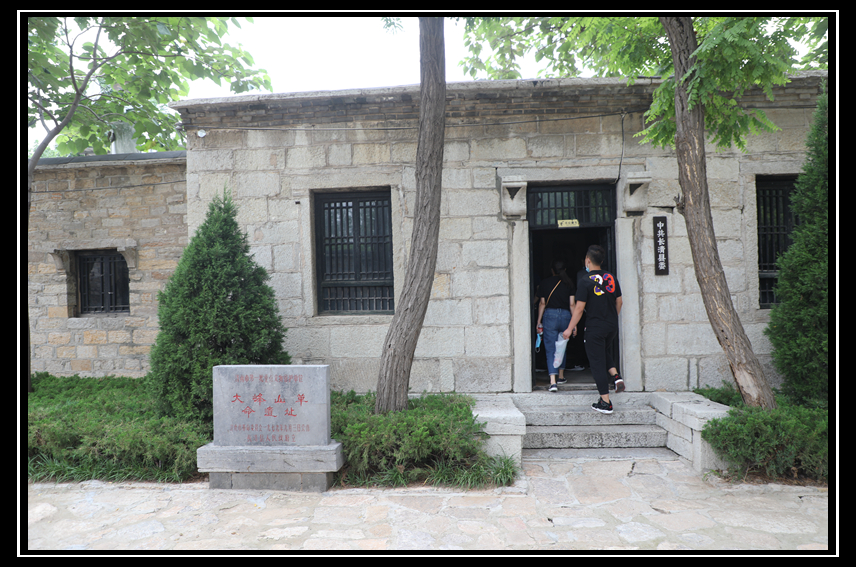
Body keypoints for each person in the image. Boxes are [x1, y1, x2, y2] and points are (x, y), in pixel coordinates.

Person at [563, 245, 624, 413]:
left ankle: (605, 402)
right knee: (601, 351)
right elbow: (619, 301)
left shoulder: (584, 281)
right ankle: (616, 376)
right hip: (611, 326)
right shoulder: (611, 277)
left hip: (595, 327)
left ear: (587, 260)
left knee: (596, 363)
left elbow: (579, 308)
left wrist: (569, 328)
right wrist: (612, 318)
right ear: (602, 261)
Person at [536, 260, 575, 392]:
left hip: (550, 316)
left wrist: (539, 321)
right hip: (566, 316)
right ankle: (561, 376)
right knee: (562, 346)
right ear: (565, 270)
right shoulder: (569, 283)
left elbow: (542, 303)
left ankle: (553, 382)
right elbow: (572, 304)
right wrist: (574, 324)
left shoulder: (545, 283)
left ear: (552, 270)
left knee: (550, 348)